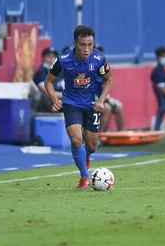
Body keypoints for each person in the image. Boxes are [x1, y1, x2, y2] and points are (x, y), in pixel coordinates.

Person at [44, 26, 113, 189]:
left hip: (92, 105)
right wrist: (54, 99)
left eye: (90, 44)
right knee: (76, 140)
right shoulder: (63, 60)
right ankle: (84, 176)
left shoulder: (99, 59)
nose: (87, 49)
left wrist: (101, 100)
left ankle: (87, 156)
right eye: (83, 44)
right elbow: (48, 82)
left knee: (92, 146)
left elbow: (109, 80)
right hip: (71, 103)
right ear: (75, 43)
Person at [93, 45, 124, 132]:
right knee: (107, 108)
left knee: (118, 106)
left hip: (101, 97)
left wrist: (105, 97)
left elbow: (107, 83)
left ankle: (121, 133)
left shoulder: (102, 68)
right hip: (90, 98)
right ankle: (100, 136)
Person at [33, 48, 64, 112]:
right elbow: (46, 90)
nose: (51, 59)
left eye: (53, 57)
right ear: (43, 58)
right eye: (48, 56)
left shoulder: (60, 71)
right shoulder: (41, 71)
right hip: (49, 102)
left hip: (62, 100)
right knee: (43, 96)